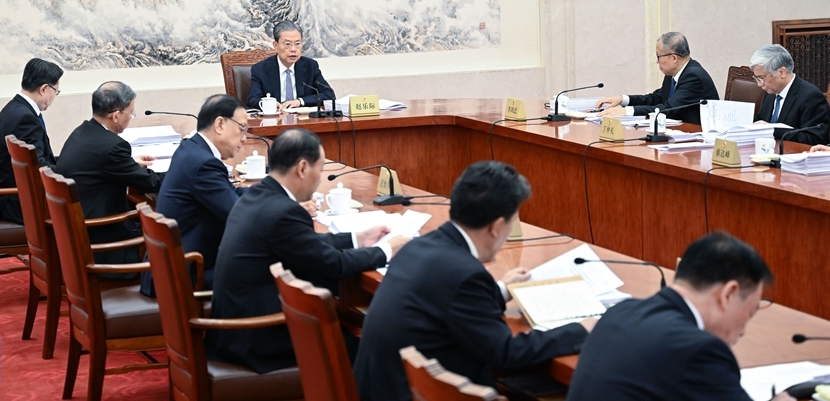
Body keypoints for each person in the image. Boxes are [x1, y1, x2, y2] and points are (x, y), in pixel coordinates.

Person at [354, 161, 589, 401]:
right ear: (497, 226)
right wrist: (581, 330)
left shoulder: (417, 247)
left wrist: (499, 290)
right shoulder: (466, 275)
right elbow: (506, 353)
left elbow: (449, 302)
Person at [206, 128, 408, 373]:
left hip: (235, 332)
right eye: (320, 170)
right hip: (258, 339)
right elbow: (333, 265)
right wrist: (387, 250)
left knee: (353, 335)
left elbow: (304, 245)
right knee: (376, 354)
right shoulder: (284, 212)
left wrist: (357, 238)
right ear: (302, 168)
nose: (319, 179)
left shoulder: (257, 195)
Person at [565, 232, 793, 401]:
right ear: (729, 293)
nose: (743, 331)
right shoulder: (698, 351)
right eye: (750, 312)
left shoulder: (619, 312)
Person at [139, 95, 249, 297]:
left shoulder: (191, 148)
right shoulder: (204, 164)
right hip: (185, 276)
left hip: (171, 269)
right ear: (220, 124)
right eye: (242, 129)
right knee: (268, 273)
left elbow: (229, 194)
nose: (244, 138)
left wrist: (274, 192)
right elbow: (239, 217)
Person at [55, 81, 163, 266]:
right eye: (131, 112)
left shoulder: (81, 132)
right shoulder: (113, 148)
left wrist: (129, 163)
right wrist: (182, 171)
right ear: (115, 115)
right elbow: (151, 182)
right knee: (171, 232)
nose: (131, 117)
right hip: (105, 245)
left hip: (77, 236)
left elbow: (98, 163)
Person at [0, 58, 63, 224]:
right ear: (44, 89)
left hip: (13, 198)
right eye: (56, 91)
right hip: (22, 205)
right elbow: (39, 169)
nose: (55, 97)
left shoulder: (12, 109)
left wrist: (71, 162)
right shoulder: (26, 119)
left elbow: (37, 160)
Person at [597, 32, 719, 125]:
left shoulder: (693, 77)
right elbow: (657, 99)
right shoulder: (673, 73)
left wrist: (627, 112)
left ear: (674, 58)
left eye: (658, 56)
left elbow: (669, 109)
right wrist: (623, 99)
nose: (657, 61)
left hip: (698, 137)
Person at [245, 21, 335, 111]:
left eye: (297, 44)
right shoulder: (261, 69)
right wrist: (270, 103)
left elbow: (329, 94)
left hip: (303, 117)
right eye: (287, 44)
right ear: (275, 45)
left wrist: (300, 101)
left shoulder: (310, 66)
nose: (293, 49)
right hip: (276, 117)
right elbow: (253, 100)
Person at [751, 44, 830, 145]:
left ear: (782, 72)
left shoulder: (811, 96)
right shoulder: (771, 93)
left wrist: (772, 130)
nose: (759, 84)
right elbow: (759, 122)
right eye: (757, 79)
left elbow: (814, 137)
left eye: (762, 78)